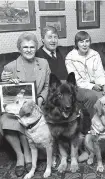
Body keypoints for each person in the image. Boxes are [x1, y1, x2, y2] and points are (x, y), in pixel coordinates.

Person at [0, 32, 50, 177]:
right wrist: (6, 82)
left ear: (36, 48)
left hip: (38, 106)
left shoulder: (44, 63)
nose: (29, 50)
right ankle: (21, 156)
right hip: (17, 108)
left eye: (32, 47)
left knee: (31, 118)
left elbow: (47, 86)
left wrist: (41, 98)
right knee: (6, 121)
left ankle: (29, 155)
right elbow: (5, 92)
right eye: (25, 47)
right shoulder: (10, 67)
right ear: (19, 49)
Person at [65, 31, 105, 99]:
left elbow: (100, 73)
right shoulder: (70, 58)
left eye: (87, 41)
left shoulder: (95, 54)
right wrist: (92, 86)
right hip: (80, 88)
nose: (84, 44)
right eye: (81, 42)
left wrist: (104, 85)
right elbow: (77, 81)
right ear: (76, 43)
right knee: (96, 98)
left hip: (97, 85)